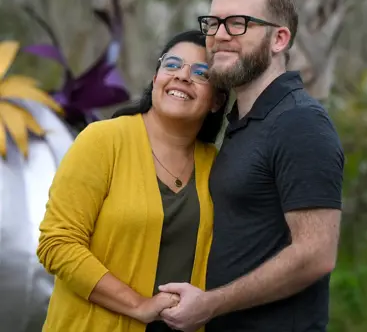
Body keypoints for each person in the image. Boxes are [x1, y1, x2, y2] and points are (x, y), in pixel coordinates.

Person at [158, 0, 345, 332]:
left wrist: (210, 304)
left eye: (238, 23)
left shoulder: (300, 123)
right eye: (213, 23)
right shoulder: (243, 122)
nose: (220, 35)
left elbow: (316, 255)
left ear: (279, 40)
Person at [36, 30, 228, 332]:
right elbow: (57, 243)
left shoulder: (217, 165)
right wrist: (139, 305)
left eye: (201, 72)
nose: (182, 77)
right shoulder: (103, 141)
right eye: (172, 65)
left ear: (217, 100)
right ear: (156, 79)